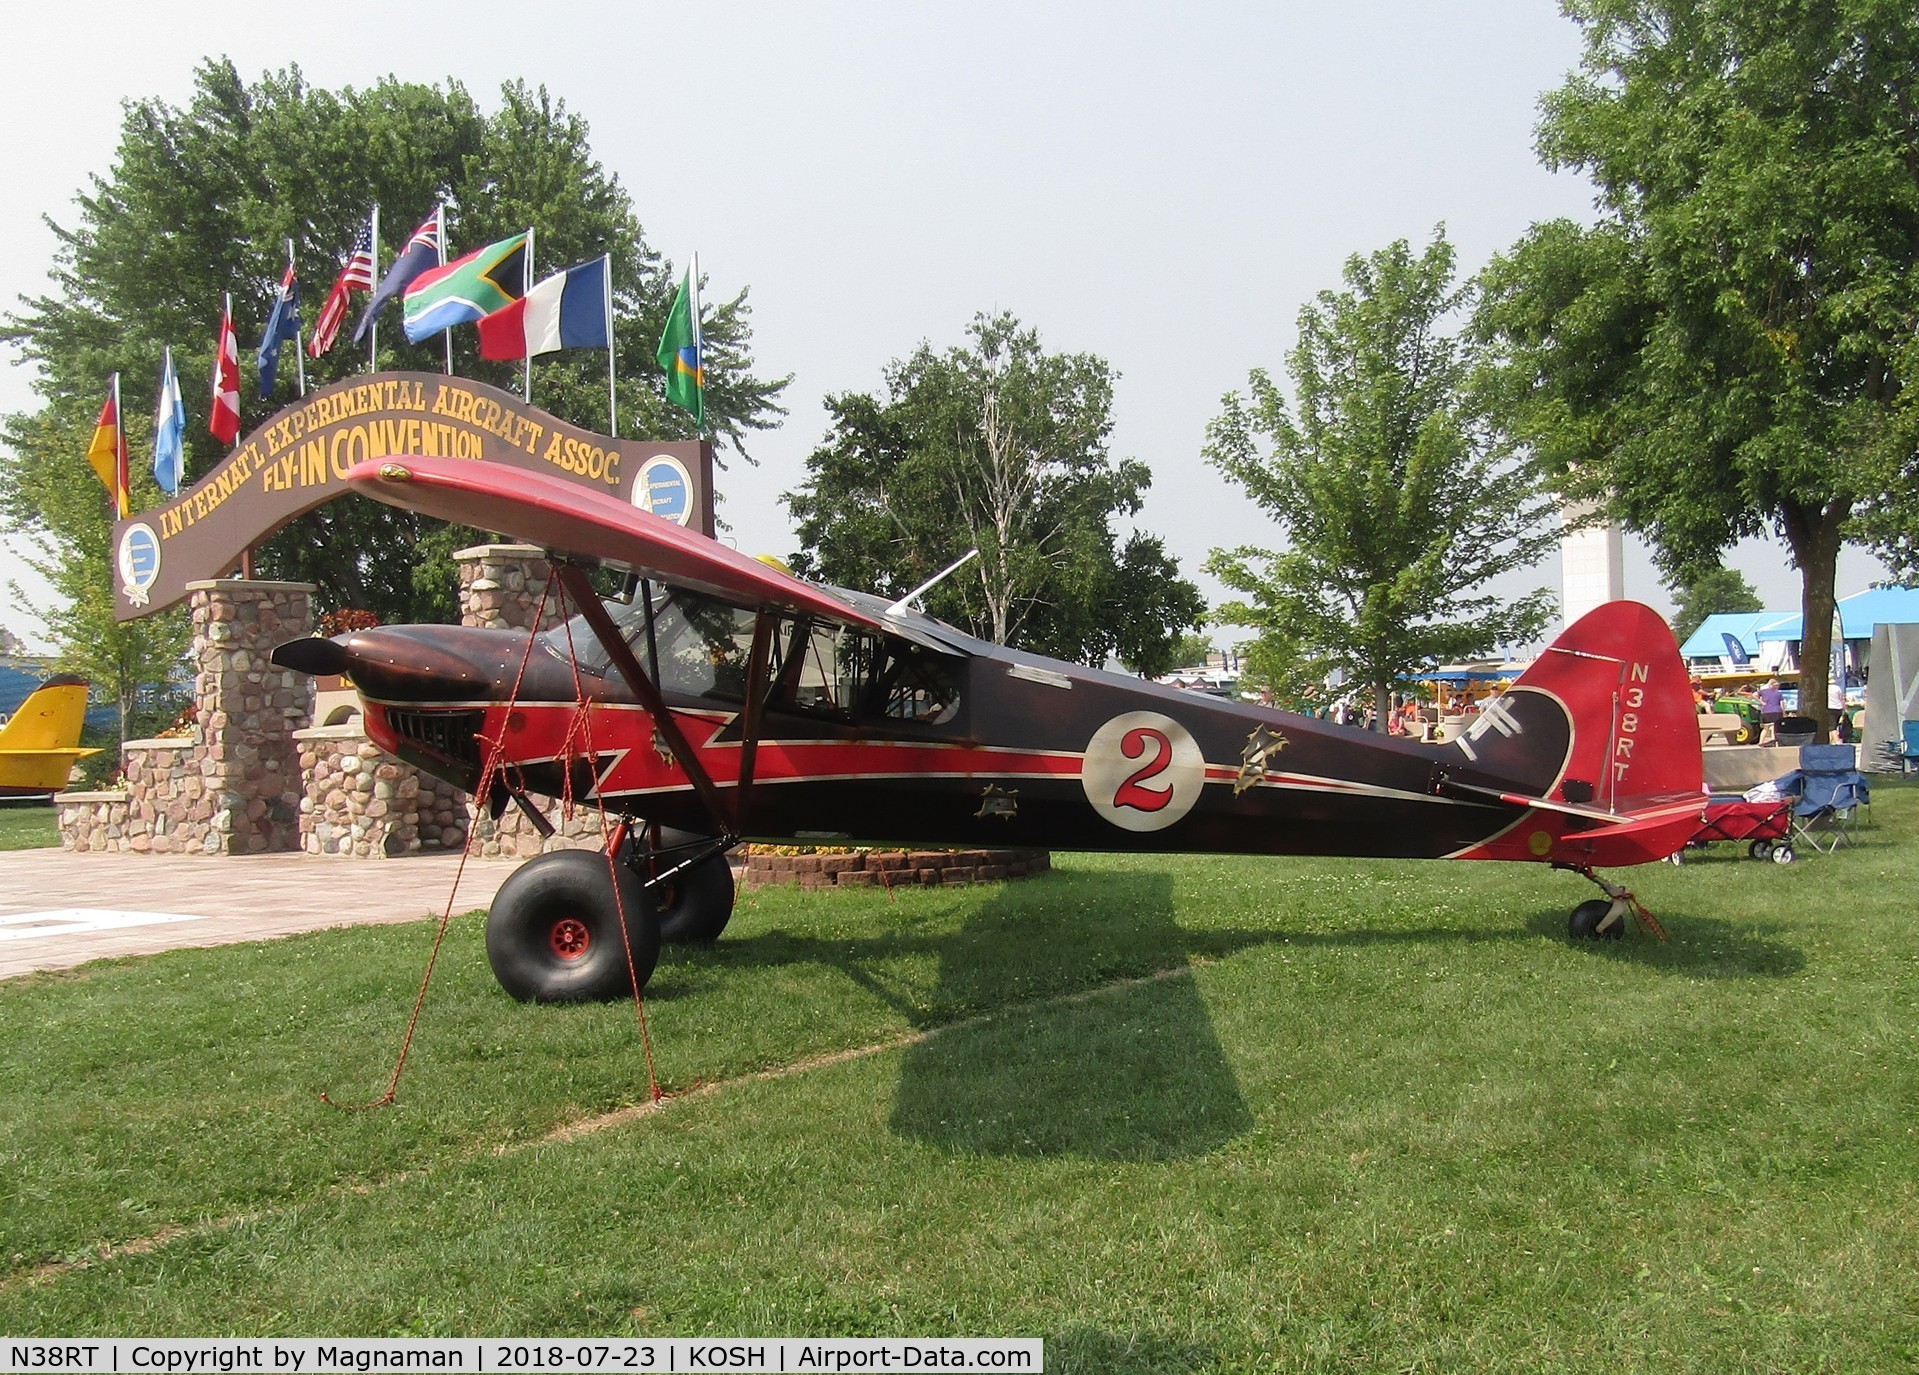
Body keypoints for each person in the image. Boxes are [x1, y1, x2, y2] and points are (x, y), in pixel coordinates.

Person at [1757, 677, 1785, 743]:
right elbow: (1782, 705)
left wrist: (1761, 702)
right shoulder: (1778, 693)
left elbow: (1753, 695)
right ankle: (1773, 741)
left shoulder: (1763, 691)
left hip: (1766, 712)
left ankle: (1761, 742)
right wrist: (1784, 713)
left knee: (1765, 728)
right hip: (1776, 711)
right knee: (1774, 727)